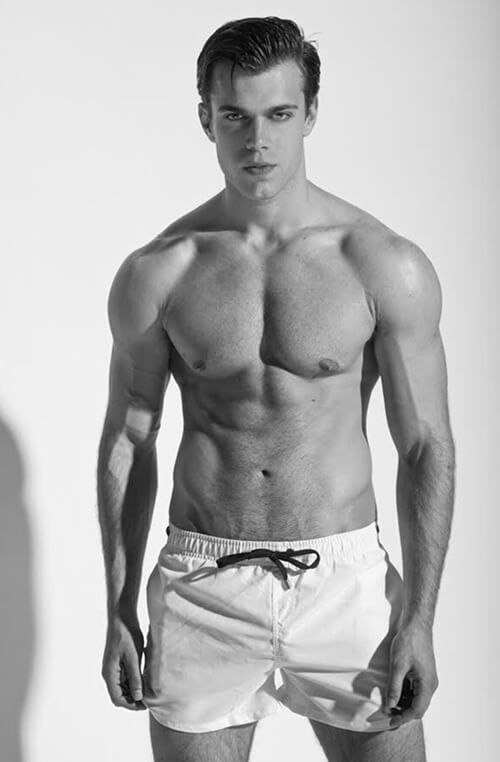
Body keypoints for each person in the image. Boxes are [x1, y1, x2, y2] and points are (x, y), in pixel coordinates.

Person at [97, 16, 455, 762]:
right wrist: (118, 609)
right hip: (203, 586)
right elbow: (130, 439)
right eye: (235, 116)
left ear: (311, 114)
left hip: (346, 588)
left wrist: (420, 618)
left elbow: (425, 445)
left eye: (279, 114)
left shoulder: (381, 263)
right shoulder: (159, 271)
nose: (257, 140)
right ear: (206, 119)